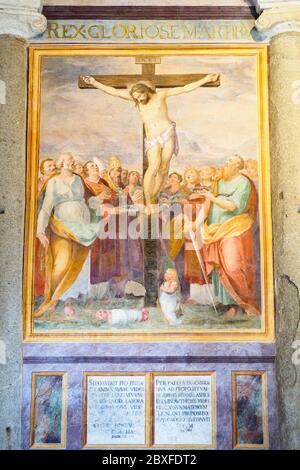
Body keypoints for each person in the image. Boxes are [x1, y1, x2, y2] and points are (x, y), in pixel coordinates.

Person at [82, 74, 219, 209]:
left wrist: (206, 79)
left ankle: (153, 196)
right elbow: (113, 91)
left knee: (164, 167)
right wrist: (94, 83)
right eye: (136, 98)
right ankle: (148, 203)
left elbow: (185, 88)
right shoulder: (136, 99)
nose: (139, 99)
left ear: (146, 91)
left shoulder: (161, 95)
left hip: (167, 133)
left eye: (141, 96)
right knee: (153, 167)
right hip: (153, 139)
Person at [35, 153, 100, 317]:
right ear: (61, 163)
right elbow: (46, 206)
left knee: (78, 262)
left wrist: (99, 199)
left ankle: (69, 301)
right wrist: (40, 230)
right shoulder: (54, 181)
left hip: (82, 227)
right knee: (62, 263)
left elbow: (88, 201)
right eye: (68, 160)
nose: (72, 162)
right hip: (62, 226)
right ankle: (53, 299)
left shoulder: (79, 180)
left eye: (72, 160)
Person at [199, 154, 260, 318]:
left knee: (232, 266)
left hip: (234, 229)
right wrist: (196, 223)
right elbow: (207, 206)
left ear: (237, 166)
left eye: (229, 162)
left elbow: (234, 206)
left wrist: (213, 198)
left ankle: (241, 303)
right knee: (220, 267)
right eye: (225, 162)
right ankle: (228, 303)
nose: (225, 165)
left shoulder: (243, 183)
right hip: (215, 231)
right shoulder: (218, 182)